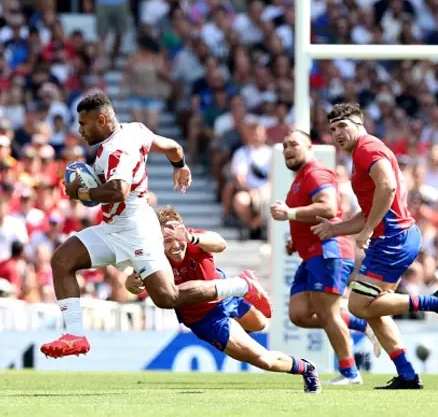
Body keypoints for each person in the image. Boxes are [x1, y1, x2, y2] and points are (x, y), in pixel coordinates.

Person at [40, 92, 271, 358]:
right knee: (62, 260)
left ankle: (240, 285)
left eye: (83, 124)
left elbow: (118, 190)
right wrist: (180, 166)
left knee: (167, 297)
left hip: (137, 229)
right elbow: (174, 147)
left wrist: (81, 194)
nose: (80, 130)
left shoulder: (117, 149)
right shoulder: (135, 130)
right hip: (114, 227)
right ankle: (76, 336)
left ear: (101, 120)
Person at [312, 103, 438, 390]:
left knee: (358, 304)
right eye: (332, 130)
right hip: (394, 237)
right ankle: (407, 374)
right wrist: (335, 228)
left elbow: (388, 188)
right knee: (373, 309)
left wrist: (367, 231)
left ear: (359, 124)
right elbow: (368, 210)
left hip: (392, 239)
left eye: (343, 126)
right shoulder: (360, 154)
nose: (337, 134)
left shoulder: (368, 148)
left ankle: (436, 302)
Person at [124, 206, 321, 394]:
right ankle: (306, 368)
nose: (176, 245)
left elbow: (220, 243)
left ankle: (243, 292)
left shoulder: (193, 238)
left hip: (227, 294)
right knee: (264, 360)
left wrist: (192, 238)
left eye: (179, 238)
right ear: (159, 240)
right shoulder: (153, 256)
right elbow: (130, 285)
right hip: (207, 320)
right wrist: (132, 283)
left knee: (261, 324)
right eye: (168, 241)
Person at [269, 129, 380, 386]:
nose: (287, 149)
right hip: (312, 254)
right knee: (299, 314)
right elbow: (312, 215)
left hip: (329, 252)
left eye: (294, 144)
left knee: (328, 313)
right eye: (284, 145)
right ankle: (362, 325)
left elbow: (329, 208)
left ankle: (350, 373)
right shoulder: (300, 178)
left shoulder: (316, 173)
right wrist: (295, 240)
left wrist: (289, 214)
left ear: (310, 148)